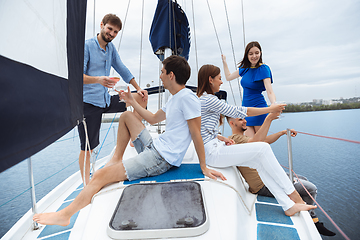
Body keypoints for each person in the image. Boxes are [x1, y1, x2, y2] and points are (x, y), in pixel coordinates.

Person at [33, 55, 225, 227]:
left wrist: (204, 166)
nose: (160, 76)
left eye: (162, 72)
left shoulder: (188, 99)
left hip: (161, 159)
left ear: (171, 75)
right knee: (126, 116)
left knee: (99, 176)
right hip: (154, 147)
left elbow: (196, 133)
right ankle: (117, 158)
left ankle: (64, 216)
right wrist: (131, 102)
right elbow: (152, 119)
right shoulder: (175, 98)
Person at [197, 64, 316, 216]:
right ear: (210, 80)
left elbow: (200, 129)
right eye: (220, 78)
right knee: (263, 148)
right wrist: (269, 109)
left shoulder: (204, 100)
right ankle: (295, 197)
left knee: (258, 162)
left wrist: (219, 137)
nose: (221, 82)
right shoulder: (209, 100)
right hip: (212, 153)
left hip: (215, 147)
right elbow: (239, 111)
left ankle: (288, 205)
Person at [227, 113, 336, 236]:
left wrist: (283, 132)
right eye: (240, 119)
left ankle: (305, 210)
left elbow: (263, 141)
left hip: (267, 176)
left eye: (244, 118)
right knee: (310, 189)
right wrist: (269, 119)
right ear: (232, 123)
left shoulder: (241, 139)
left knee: (303, 179)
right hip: (263, 185)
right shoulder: (236, 139)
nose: (245, 121)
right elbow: (262, 141)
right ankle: (314, 222)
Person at [79, 13, 148, 185]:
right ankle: (86, 184)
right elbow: (77, 76)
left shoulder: (111, 49)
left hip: (106, 100)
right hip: (89, 103)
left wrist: (138, 88)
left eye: (115, 32)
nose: (112, 34)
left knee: (139, 98)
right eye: (110, 29)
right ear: (102, 25)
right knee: (88, 148)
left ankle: (134, 139)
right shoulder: (87, 46)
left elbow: (122, 69)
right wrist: (98, 79)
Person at [222, 41, 276, 137]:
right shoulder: (245, 68)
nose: (254, 56)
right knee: (249, 143)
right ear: (247, 55)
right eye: (251, 54)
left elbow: (269, 90)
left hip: (259, 109)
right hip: (246, 111)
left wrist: (274, 104)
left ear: (260, 53)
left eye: (257, 53)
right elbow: (228, 77)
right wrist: (224, 62)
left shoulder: (264, 68)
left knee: (260, 142)